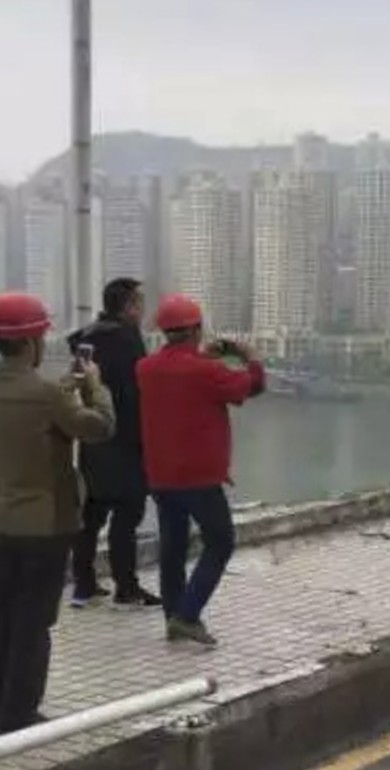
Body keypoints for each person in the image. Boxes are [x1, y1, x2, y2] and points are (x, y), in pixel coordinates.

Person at [0, 292, 115, 731]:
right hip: (42, 528)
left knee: (4, 617)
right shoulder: (49, 394)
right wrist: (94, 386)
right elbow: (99, 427)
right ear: (32, 342)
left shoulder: (48, 393)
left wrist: (64, 391)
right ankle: (19, 714)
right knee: (32, 624)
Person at [137, 294, 265, 647]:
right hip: (199, 478)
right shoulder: (208, 371)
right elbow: (251, 386)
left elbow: (180, 379)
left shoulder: (145, 368)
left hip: (161, 475)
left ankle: (173, 617)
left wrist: (202, 356)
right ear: (196, 329)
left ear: (164, 332)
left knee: (173, 548)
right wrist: (249, 357)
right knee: (221, 542)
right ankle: (188, 615)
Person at [65, 278, 159, 608]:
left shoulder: (86, 338)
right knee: (127, 515)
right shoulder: (128, 338)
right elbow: (139, 391)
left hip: (94, 438)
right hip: (127, 440)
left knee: (90, 516)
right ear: (129, 306)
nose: (142, 310)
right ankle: (127, 588)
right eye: (139, 304)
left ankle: (84, 585)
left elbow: (77, 381)